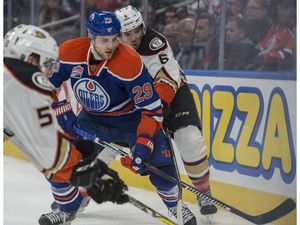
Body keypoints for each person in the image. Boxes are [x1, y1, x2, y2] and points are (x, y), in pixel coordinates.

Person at [47, 10, 197, 225]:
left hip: (131, 121)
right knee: (62, 157)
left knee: (161, 166)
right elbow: (43, 84)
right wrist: (60, 107)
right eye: (104, 40)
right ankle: (67, 208)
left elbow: (152, 110)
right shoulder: (69, 52)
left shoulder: (129, 61)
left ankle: (176, 207)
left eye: (115, 39)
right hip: (91, 120)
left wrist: (143, 144)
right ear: (91, 37)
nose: (111, 45)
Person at [4, 24, 128, 225]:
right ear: (31, 59)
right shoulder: (25, 81)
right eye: (47, 63)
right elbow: (50, 152)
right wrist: (90, 176)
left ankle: (68, 206)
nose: (48, 71)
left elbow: (36, 144)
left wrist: (74, 154)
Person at [115, 5, 217, 215]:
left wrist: (154, 112)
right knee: (103, 146)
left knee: (190, 139)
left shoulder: (154, 43)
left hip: (172, 95)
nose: (134, 37)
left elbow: (166, 81)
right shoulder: (109, 48)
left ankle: (204, 193)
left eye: (137, 30)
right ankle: (79, 196)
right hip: (136, 100)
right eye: (128, 33)